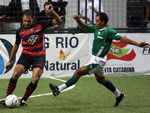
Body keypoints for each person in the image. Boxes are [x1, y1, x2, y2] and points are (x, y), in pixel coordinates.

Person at [49, 12, 150, 107]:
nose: (95, 23)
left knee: (78, 72)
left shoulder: (108, 31)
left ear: (103, 22)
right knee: (101, 80)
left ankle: (59, 89)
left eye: (97, 21)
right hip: (95, 59)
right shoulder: (97, 28)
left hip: (99, 60)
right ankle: (119, 95)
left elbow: (123, 38)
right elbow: (85, 27)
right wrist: (77, 20)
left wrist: (138, 44)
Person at [0, 6, 61, 107]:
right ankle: (7, 99)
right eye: (25, 21)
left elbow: (58, 21)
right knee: (15, 74)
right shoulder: (20, 31)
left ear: (32, 19)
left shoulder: (41, 25)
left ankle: (24, 100)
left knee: (35, 78)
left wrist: (52, 11)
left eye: (29, 21)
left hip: (39, 56)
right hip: (26, 55)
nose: (26, 23)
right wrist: (10, 61)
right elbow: (16, 46)